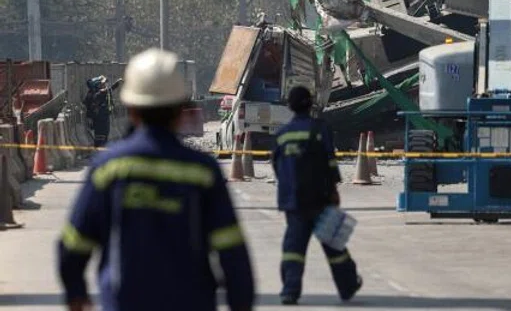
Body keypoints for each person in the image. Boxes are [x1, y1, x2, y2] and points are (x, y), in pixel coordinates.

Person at [57, 48, 255, 311]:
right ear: (181, 110)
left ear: (131, 109)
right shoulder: (202, 171)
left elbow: (73, 243)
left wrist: (76, 293)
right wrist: (240, 303)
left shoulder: (109, 168)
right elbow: (232, 252)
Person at [272, 85, 361, 305]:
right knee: (333, 244)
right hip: (319, 198)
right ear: (310, 104)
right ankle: (348, 285)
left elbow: (277, 166)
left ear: (290, 106)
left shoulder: (282, 135)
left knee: (293, 248)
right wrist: (333, 189)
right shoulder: (320, 129)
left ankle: (289, 291)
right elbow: (330, 161)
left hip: (293, 202)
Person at [82, 77, 111, 148]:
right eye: (103, 84)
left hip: (103, 118)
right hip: (100, 120)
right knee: (100, 138)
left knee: (103, 137)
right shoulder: (96, 94)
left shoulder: (98, 93)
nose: (105, 85)